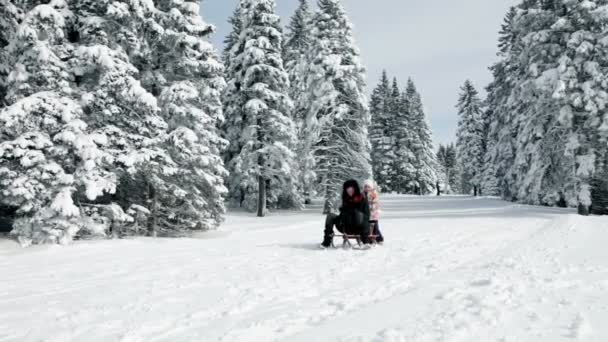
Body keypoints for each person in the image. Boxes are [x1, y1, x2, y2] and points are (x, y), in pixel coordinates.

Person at [321, 180, 371, 248]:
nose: (349, 191)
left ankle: (365, 242)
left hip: (358, 227)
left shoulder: (362, 198)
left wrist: (366, 239)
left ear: (355, 189)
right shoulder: (345, 198)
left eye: (351, 189)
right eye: (347, 189)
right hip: (345, 226)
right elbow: (342, 214)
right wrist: (342, 210)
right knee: (330, 216)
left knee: (357, 213)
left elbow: (366, 216)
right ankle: (327, 241)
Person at [363, 179, 384, 244]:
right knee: (367, 226)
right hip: (365, 213)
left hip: (373, 212)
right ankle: (370, 238)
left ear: (371, 187)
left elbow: (376, 202)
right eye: (365, 186)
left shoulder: (373, 193)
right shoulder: (362, 194)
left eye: (368, 187)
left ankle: (379, 238)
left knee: (374, 226)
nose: (367, 188)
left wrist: (371, 204)